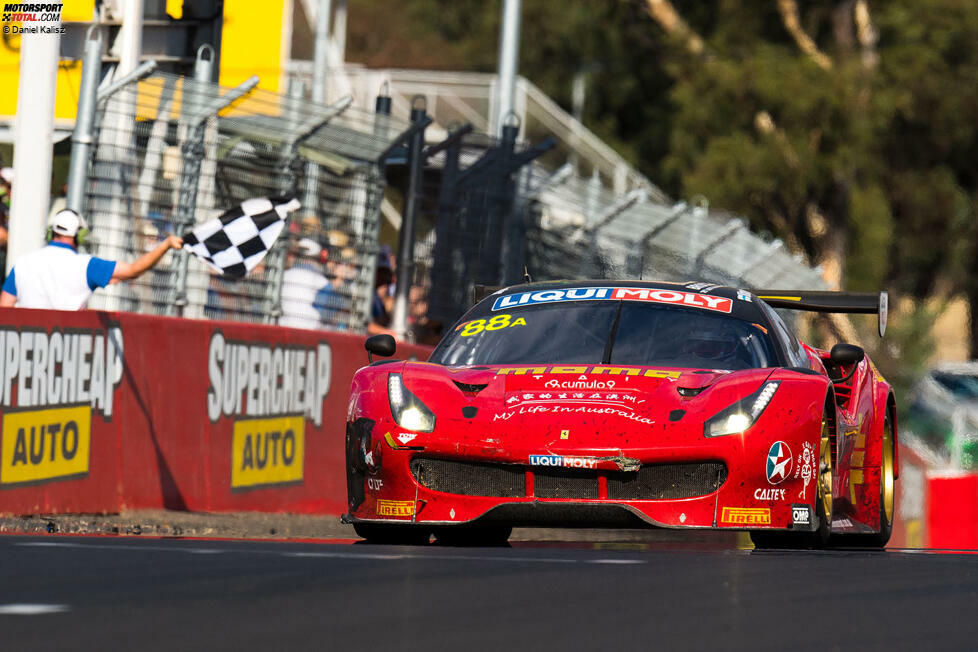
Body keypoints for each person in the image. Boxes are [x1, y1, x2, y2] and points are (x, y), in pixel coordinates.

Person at [0, 209, 183, 310]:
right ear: (79, 235)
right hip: (66, 349)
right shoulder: (86, 265)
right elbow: (134, 270)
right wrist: (165, 246)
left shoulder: (23, 264)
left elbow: (5, 306)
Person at [279, 237, 331, 329]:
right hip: (309, 332)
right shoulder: (321, 281)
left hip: (283, 328)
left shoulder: (282, 276)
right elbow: (326, 313)